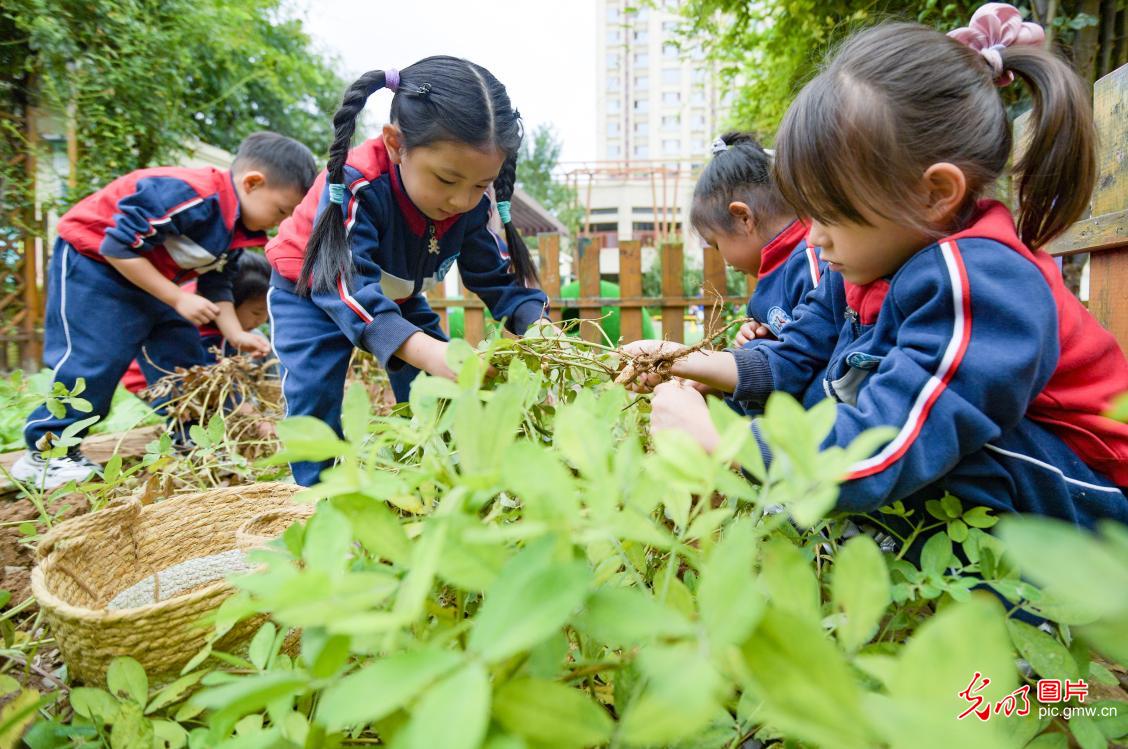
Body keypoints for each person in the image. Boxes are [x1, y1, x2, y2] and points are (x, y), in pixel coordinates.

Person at [621, 4, 1128, 528]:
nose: (813, 239)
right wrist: (682, 360)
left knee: (928, 442)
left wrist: (722, 446)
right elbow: (795, 356)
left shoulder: (982, 281)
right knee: (834, 395)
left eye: (830, 215)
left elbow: (894, 436)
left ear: (933, 194)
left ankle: (1021, 602)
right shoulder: (860, 267)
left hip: (1092, 498)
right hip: (1042, 482)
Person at [265, 57, 550, 486]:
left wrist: (539, 326)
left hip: (393, 295)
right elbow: (346, 285)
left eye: (479, 185)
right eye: (447, 180)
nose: (461, 201)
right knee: (315, 392)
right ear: (396, 144)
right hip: (313, 287)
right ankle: (314, 498)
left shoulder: (472, 206)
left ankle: (430, 478)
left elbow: (498, 280)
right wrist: (431, 352)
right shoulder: (359, 184)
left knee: (434, 394)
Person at [14, 132, 316, 489]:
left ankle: (194, 443)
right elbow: (117, 245)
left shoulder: (235, 231)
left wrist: (235, 332)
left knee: (184, 363)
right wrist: (176, 298)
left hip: (156, 281)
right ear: (252, 183)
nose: (277, 223)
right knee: (94, 360)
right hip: (95, 267)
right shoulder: (189, 195)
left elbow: (216, 283)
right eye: (280, 211)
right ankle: (47, 453)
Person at [692, 132, 822, 347]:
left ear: (744, 218)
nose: (723, 259)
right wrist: (761, 336)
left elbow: (817, 349)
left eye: (716, 244)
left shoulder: (811, 261)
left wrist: (763, 351)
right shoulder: (775, 271)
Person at [121, 251, 273, 395]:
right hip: (153, 386)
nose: (262, 319)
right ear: (227, 303)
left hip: (187, 374)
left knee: (256, 336)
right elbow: (207, 382)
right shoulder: (199, 331)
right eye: (257, 312)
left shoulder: (197, 299)